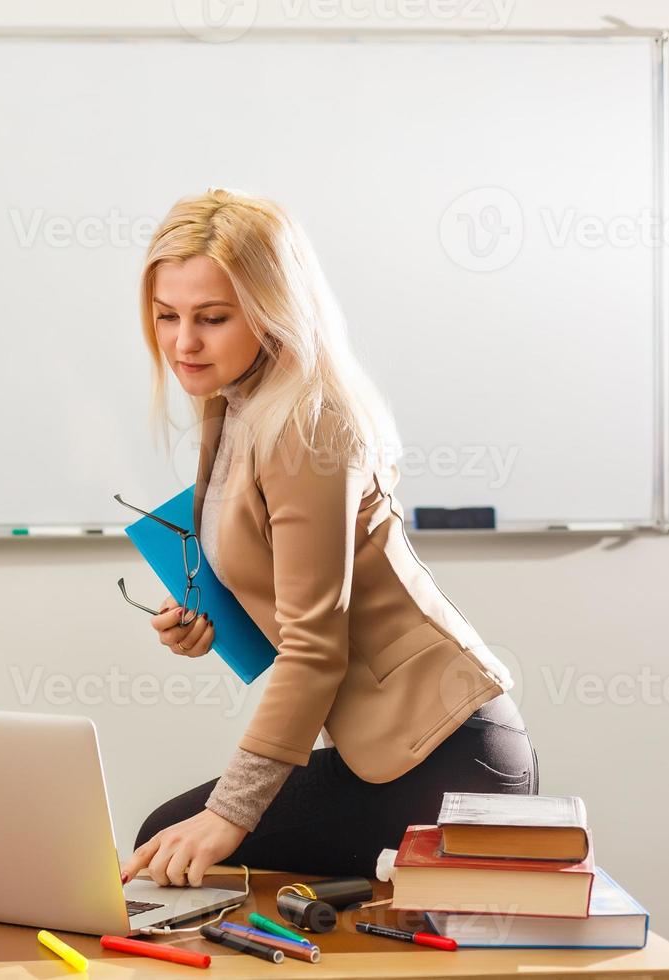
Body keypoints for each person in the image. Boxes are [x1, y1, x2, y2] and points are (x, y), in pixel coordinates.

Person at [119, 189, 537, 886]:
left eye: (212, 318)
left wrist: (232, 813)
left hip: (449, 758)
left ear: (270, 310)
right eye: (167, 317)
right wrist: (209, 623)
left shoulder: (306, 423)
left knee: (172, 842)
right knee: (169, 843)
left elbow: (316, 648)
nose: (183, 342)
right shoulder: (235, 403)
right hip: (391, 751)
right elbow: (284, 595)